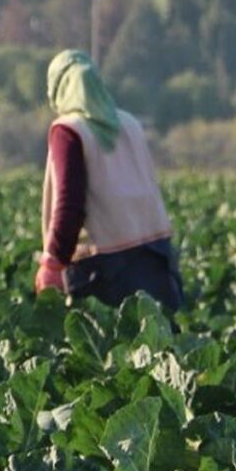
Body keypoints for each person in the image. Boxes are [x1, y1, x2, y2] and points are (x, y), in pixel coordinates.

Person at [34, 49, 184, 310]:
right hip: (156, 260)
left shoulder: (69, 130)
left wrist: (53, 262)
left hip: (103, 271)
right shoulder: (130, 124)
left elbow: (69, 204)